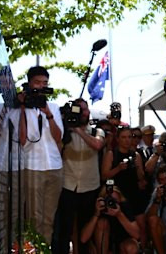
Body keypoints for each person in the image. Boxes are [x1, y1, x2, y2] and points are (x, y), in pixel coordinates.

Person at [16, 66, 64, 244]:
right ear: (29, 84)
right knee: (34, 219)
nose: (41, 86)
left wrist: (49, 114)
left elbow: (59, 138)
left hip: (55, 168)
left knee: (49, 220)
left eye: (45, 83)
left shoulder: (53, 107)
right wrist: (22, 107)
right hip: (33, 167)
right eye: (37, 82)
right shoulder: (21, 107)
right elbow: (21, 139)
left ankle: (45, 249)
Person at [55, 98, 105, 254]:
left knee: (85, 231)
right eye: (78, 110)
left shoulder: (97, 131)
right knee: (65, 229)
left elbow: (97, 145)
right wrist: (65, 125)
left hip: (90, 187)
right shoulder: (65, 132)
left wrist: (78, 130)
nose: (82, 113)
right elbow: (56, 150)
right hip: (68, 185)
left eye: (84, 109)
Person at [101, 127, 148, 250]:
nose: (127, 140)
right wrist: (118, 169)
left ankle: (143, 250)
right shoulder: (111, 154)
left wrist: (138, 167)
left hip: (134, 195)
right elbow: (104, 175)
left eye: (129, 137)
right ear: (118, 139)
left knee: (142, 226)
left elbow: (141, 177)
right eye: (124, 137)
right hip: (118, 196)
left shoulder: (136, 155)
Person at [80, 182, 140, 254]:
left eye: (115, 200)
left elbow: (137, 235)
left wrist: (119, 215)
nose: (111, 203)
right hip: (102, 247)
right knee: (102, 222)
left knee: (131, 247)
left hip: (121, 244)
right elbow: (83, 239)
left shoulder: (124, 207)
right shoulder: (98, 208)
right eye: (109, 199)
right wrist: (96, 214)